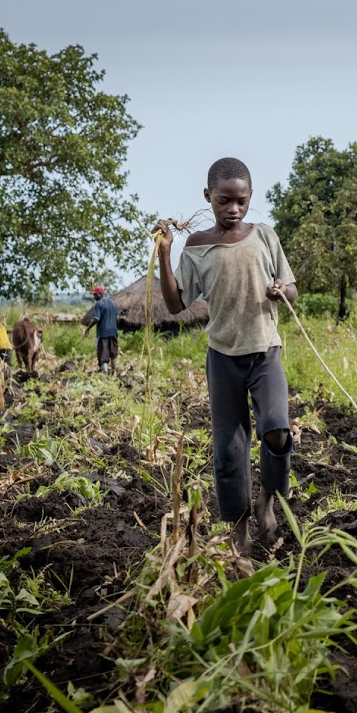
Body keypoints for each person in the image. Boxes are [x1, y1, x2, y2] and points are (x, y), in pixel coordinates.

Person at [154, 157, 298, 555]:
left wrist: (279, 291)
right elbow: (174, 304)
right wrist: (165, 256)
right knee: (229, 451)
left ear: (250, 198)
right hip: (223, 357)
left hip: (265, 352)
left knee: (277, 429)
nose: (233, 209)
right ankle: (240, 532)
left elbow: (292, 291)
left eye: (241, 201)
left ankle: (268, 501)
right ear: (208, 198)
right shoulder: (197, 247)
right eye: (224, 201)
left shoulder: (265, 236)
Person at [82, 286, 120, 373]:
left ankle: (105, 374)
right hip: (113, 332)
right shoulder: (113, 303)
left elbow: (96, 318)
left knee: (103, 353)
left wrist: (88, 329)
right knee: (113, 351)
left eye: (95, 294)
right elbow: (117, 318)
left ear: (100, 294)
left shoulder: (99, 304)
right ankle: (114, 371)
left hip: (103, 333)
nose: (94, 297)